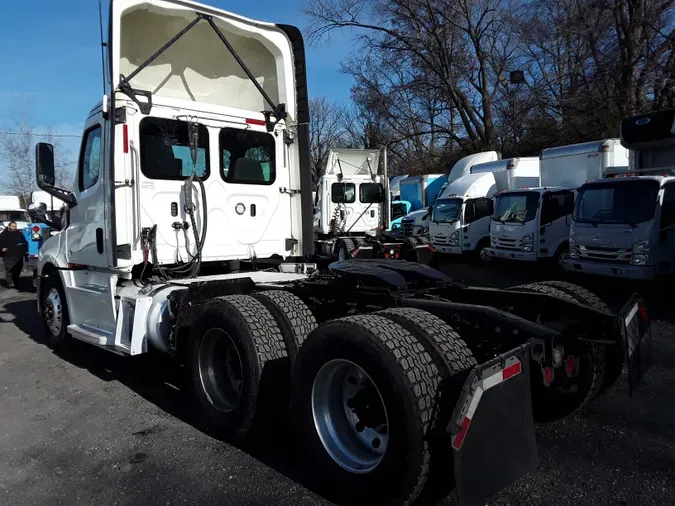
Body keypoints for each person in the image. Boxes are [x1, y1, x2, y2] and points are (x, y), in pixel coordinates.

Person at [0, 221, 28, 289]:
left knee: (17, 269)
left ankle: (15, 281)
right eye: (13, 226)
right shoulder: (3, 234)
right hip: (8, 255)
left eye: (15, 226)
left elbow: (24, 242)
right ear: (9, 226)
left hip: (18, 254)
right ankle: (10, 282)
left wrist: (25, 250)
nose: (14, 227)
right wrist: (1, 249)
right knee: (10, 269)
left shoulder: (19, 234)